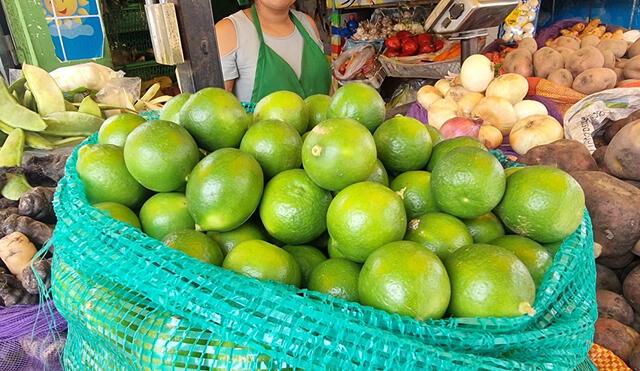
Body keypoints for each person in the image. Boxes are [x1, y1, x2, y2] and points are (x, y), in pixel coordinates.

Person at [215, 0, 331, 104]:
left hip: (328, 127)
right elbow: (219, 111)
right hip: (264, 128)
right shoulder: (228, 31)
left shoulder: (308, 24)